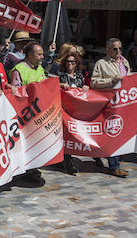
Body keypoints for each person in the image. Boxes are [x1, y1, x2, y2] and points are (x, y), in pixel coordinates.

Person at [91, 37, 132, 177]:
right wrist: (111, 80)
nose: (119, 51)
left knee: (118, 134)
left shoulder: (125, 61)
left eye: (121, 48)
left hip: (123, 102)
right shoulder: (101, 63)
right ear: (108, 49)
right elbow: (94, 82)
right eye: (115, 49)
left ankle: (101, 156)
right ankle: (114, 166)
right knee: (112, 133)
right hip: (109, 103)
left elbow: (128, 79)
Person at [57, 49, 88, 175]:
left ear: (76, 64)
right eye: (68, 62)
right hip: (66, 111)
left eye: (73, 62)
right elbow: (53, 85)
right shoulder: (62, 76)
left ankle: (96, 158)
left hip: (78, 112)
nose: (70, 64)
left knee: (81, 135)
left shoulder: (80, 77)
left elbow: (84, 91)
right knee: (67, 137)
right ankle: (69, 165)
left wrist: (85, 87)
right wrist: (60, 85)